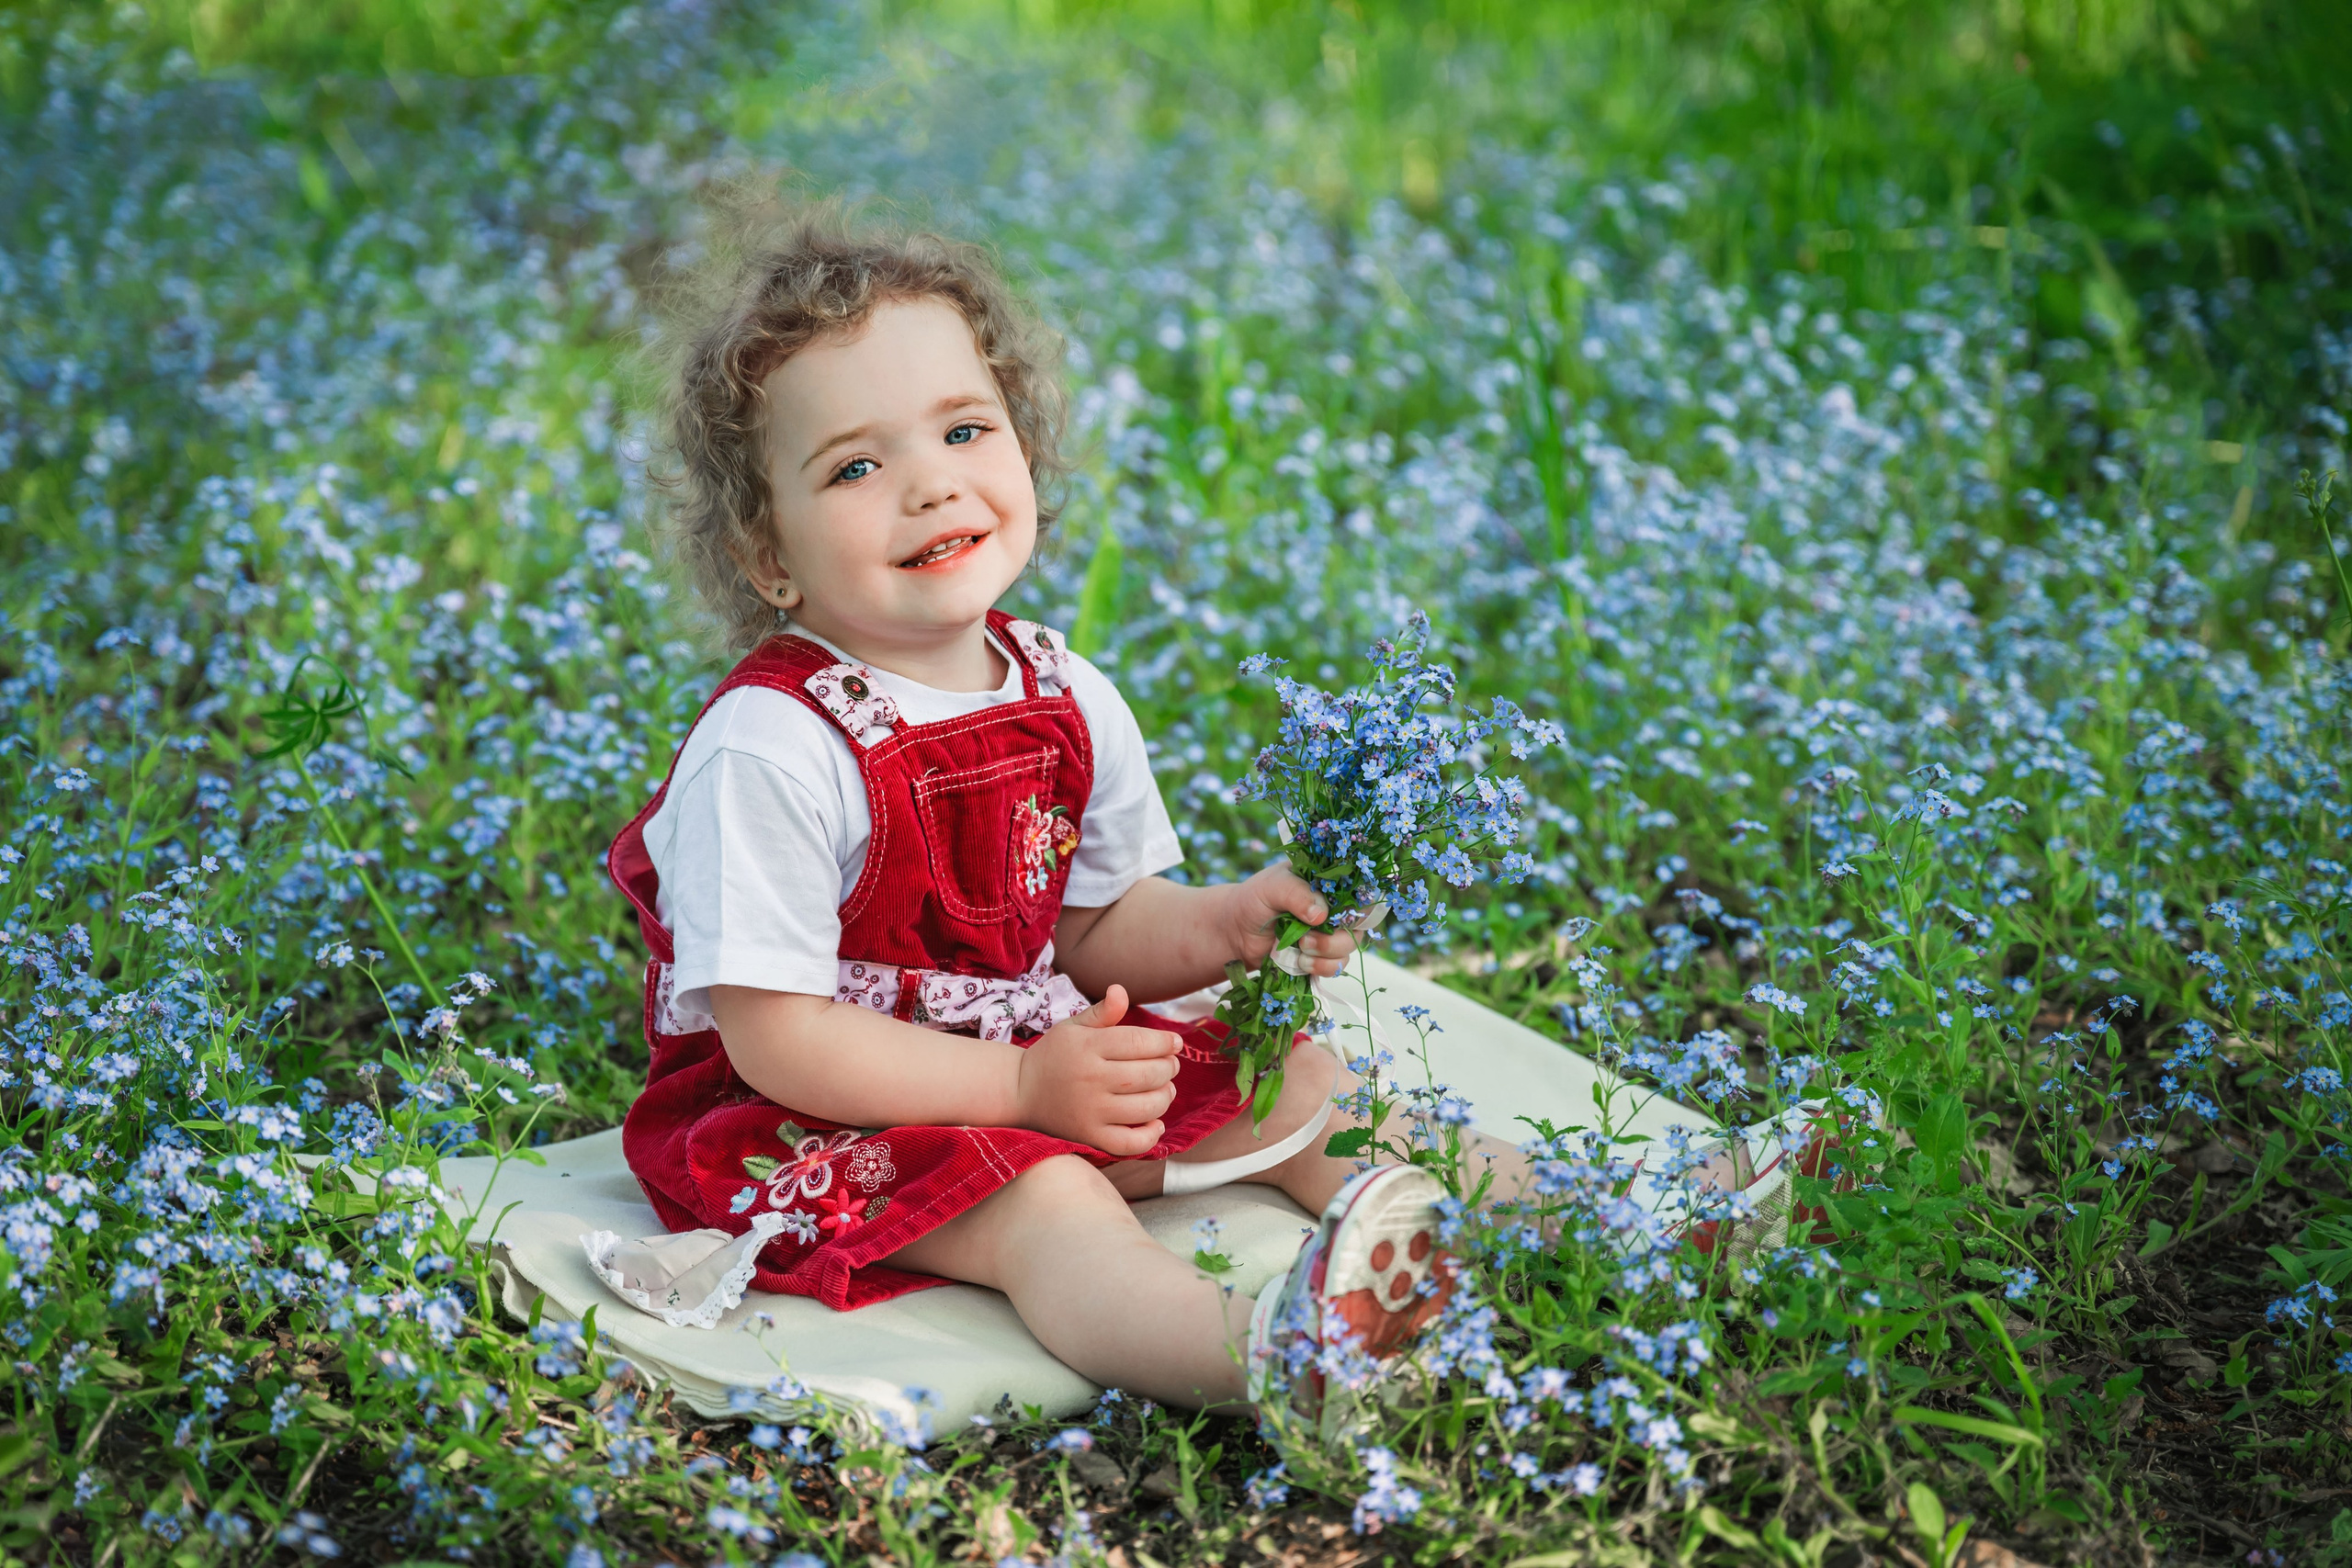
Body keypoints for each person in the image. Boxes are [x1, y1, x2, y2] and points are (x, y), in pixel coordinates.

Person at [601, 203, 1496, 1420]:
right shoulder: (768, 745)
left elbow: (1092, 927)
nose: (930, 485)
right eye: (856, 466)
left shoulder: (1063, 691)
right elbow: (777, 1038)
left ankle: (1623, 1216)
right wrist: (1023, 1098)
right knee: (1046, 1205)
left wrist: (1229, 923)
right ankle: (1280, 1357)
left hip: (1039, 1058)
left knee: (1301, 1078)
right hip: (804, 1115)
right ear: (769, 555)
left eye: (965, 429)